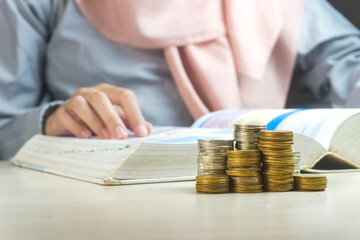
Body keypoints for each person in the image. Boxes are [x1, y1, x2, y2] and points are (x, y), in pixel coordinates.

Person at [0, 0, 360, 160]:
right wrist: (52, 119)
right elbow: (4, 126)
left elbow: (348, 64)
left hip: (261, 198)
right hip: (92, 208)